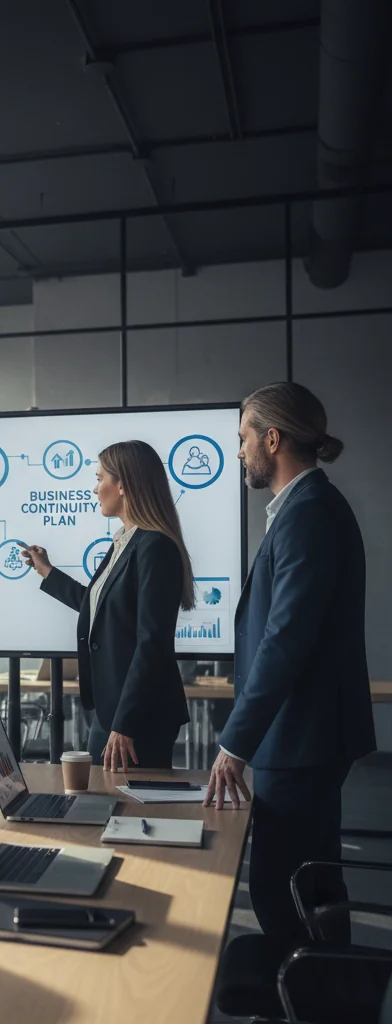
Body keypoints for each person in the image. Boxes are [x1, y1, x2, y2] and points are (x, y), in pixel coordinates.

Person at [205, 382, 374, 941]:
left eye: (243, 438)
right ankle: (324, 995)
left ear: (271, 439)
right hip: (304, 736)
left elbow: (286, 641)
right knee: (308, 885)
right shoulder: (305, 508)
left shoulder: (308, 513)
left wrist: (234, 742)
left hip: (302, 738)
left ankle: (304, 997)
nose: (238, 451)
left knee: (286, 891)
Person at [22, 440, 193, 771]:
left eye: (100, 478)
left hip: (136, 718)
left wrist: (125, 722)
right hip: (112, 711)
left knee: (126, 814)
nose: (95, 488)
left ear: (123, 484)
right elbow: (100, 609)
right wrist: (46, 571)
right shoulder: (126, 541)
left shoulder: (153, 546)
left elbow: (152, 643)